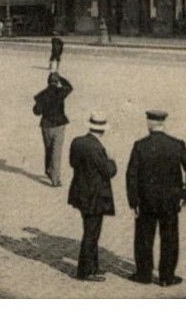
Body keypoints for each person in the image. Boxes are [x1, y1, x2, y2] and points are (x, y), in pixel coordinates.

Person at [125, 109, 186, 286]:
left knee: (144, 237)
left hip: (146, 201)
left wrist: (133, 200)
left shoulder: (140, 145)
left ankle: (143, 274)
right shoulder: (177, 144)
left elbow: (131, 175)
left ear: (149, 124)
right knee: (170, 238)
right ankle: (166, 277)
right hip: (170, 201)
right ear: (163, 124)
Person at [68, 110, 117, 281]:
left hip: (80, 193)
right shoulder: (97, 148)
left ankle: (93, 266)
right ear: (102, 130)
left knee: (90, 229)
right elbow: (109, 171)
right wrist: (111, 160)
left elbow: (72, 163)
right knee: (92, 233)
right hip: (95, 196)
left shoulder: (77, 142)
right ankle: (86, 270)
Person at [32, 71, 73, 187]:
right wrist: (61, 78)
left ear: (48, 82)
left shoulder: (42, 94)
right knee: (57, 152)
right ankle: (55, 179)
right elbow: (70, 87)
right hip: (59, 125)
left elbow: (36, 111)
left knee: (48, 149)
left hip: (46, 126)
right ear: (57, 82)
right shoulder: (60, 92)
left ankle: (49, 170)